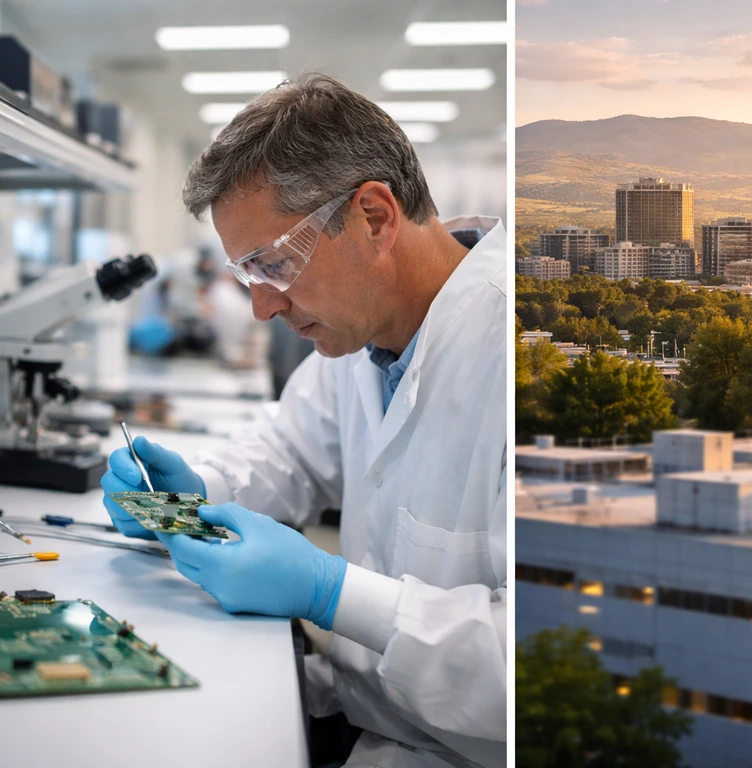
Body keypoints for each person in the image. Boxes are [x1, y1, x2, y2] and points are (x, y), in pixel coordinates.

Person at [100, 73, 506, 768]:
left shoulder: (516, 354)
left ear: (374, 217)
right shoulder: (361, 329)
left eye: (274, 264)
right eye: (245, 274)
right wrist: (200, 489)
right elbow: (290, 449)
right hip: (360, 713)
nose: (263, 308)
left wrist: (331, 592)